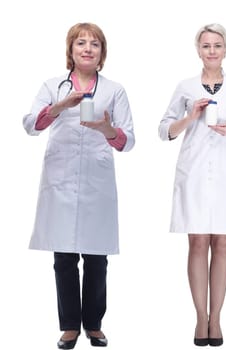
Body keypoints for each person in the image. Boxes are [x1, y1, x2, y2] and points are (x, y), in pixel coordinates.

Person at [22, 22, 135, 349]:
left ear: (102, 54)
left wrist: (106, 129)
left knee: (97, 257)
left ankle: (94, 324)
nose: (88, 48)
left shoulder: (114, 90)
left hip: (97, 183)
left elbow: (128, 141)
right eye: (81, 43)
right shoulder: (52, 86)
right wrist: (60, 107)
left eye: (95, 44)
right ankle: (70, 325)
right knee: (64, 257)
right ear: (70, 51)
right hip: (61, 179)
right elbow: (31, 125)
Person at [158, 23, 226, 347]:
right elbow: (164, 130)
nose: (211, 50)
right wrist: (190, 117)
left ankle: (217, 318)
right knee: (198, 243)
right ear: (198, 50)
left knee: (224, 244)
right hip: (195, 173)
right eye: (206, 46)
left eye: (217, 45)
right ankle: (201, 317)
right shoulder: (186, 86)